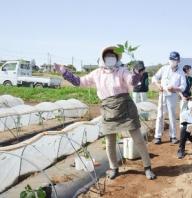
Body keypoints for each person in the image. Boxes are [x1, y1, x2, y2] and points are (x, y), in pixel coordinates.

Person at [54, 46, 156, 180]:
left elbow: (132, 81)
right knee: (110, 142)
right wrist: (63, 72)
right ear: (103, 59)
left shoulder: (122, 71)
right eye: (107, 57)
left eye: (113, 57)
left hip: (125, 106)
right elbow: (79, 82)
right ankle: (114, 168)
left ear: (116, 59)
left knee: (138, 139)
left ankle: (147, 167)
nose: (110, 59)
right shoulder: (96, 74)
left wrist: (137, 73)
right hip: (108, 109)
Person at [152, 51, 186, 144]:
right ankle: (157, 136)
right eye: (171, 59)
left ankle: (173, 136)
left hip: (173, 96)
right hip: (162, 95)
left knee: (172, 116)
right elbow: (154, 78)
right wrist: (157, 84)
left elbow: (183, 86)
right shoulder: (164, 68)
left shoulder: (181, 72)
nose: (172, 61)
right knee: (160, 115)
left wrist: (175, 88)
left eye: (174, 60)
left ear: (178, 61)